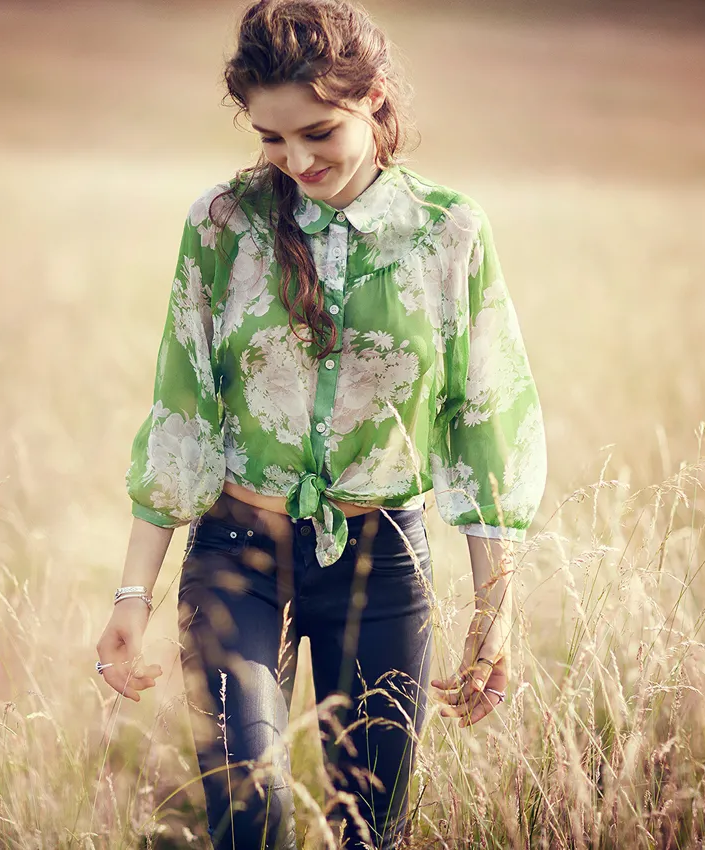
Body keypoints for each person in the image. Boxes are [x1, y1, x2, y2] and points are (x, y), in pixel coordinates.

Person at [95, 0, 546, 846]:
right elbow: (182, 407)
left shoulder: (449, 232)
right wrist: (132, 594)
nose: (296, 161)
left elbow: (485, 418)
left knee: (368, 828)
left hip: (384, 562)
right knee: (250, 811)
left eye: (318, 132)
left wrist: (496, 608)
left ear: (372, 98)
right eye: (271, 138)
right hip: (236, 556)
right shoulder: (221, 225)